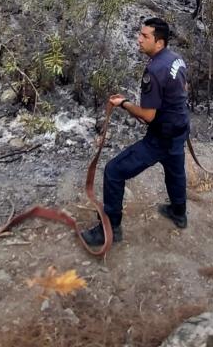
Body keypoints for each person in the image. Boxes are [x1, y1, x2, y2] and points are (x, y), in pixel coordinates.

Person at [81, 18, 191, 247]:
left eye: (145, 36)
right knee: (175, 170)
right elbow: (183, 88)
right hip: (180, 127)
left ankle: (109, 230)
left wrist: (124, 103)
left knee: (113, 171)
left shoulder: (154, 69)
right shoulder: (176, 59)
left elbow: (147, 116)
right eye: (140, 34)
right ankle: (179, 213)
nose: (138, 39)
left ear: (159, 43)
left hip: (162, 135)